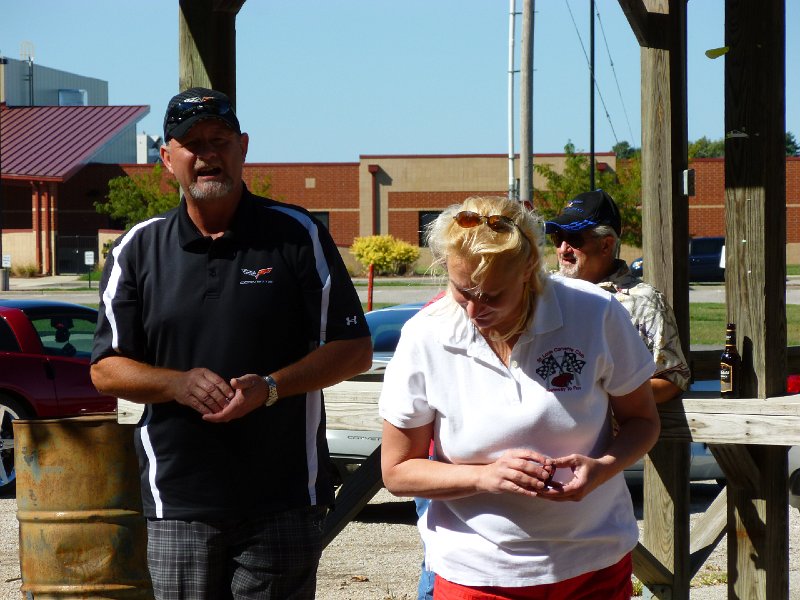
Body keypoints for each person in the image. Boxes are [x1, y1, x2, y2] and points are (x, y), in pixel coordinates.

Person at [90, 87, 372, 600]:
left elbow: (353, 348)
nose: (207, 155)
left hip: (283, 497)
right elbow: (105, 368)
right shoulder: (138, 248)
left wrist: (269, 387)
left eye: (219, 140)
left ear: (242, 147)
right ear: (167, 158)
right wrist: (175, 383)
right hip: (177, 499)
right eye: (191, 144)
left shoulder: (297, 234)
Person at [380, 195, 660, 599]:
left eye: (492, 295)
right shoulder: (426, 334)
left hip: (593, 565)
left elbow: (643, 422)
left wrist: (601, 468)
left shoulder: (594, 313)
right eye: (462, 291)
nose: (474, 311)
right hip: (477, 575)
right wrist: (484, 477)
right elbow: (398, 470)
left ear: (529, 271)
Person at [546, 189, 690, 403]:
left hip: (613, 435)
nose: (563, 249)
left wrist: (598, 400)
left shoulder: (645, 301)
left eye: (574, 239)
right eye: (558, 238)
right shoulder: (544, 290)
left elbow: (672, 379)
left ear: (605, 245)